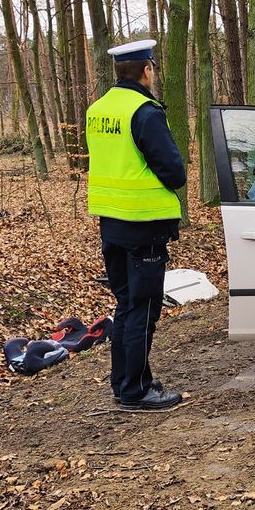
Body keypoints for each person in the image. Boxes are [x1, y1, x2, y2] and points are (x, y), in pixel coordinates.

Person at [86, 39, 185, 410]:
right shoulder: (144, 110)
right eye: (153, 69)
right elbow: (173, 171)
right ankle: (136, 390)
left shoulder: (98, 109)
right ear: (147, 70)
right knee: (142, 308)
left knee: (127, 304)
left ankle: (126, 383)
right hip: (143, 223)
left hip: (111, 221)